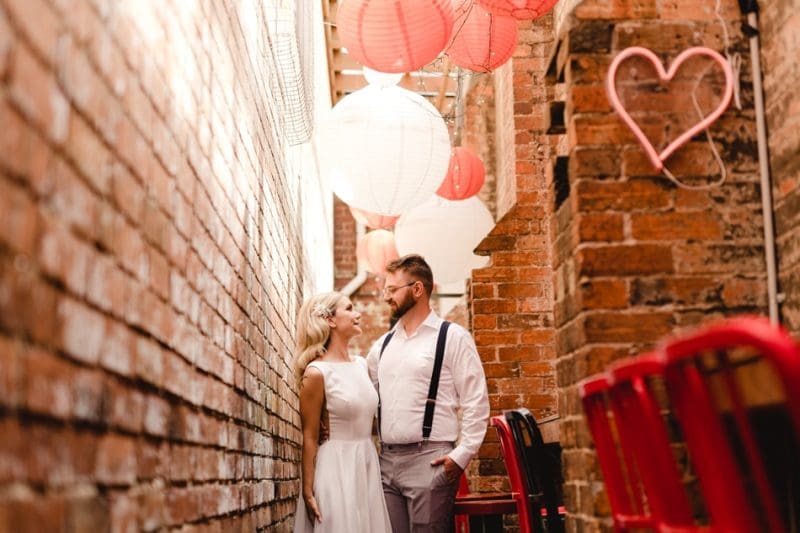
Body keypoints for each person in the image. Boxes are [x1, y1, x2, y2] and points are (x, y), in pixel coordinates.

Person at [366, 254, 490, 533]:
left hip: (430, 461)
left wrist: (461, 456)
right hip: (386, 463)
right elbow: (363, 394)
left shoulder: (453, 337)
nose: (386, 297)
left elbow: (475, 400)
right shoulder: (382, 345)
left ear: (417, 289)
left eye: (392, 289)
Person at [292, 292, 392, 533]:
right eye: (349, 309)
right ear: (330, 320)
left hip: (366, 463)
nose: (357, 314)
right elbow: (310, 436)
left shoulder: (361, 365)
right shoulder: (316, 373)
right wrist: (308, 490)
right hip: (335, 468)